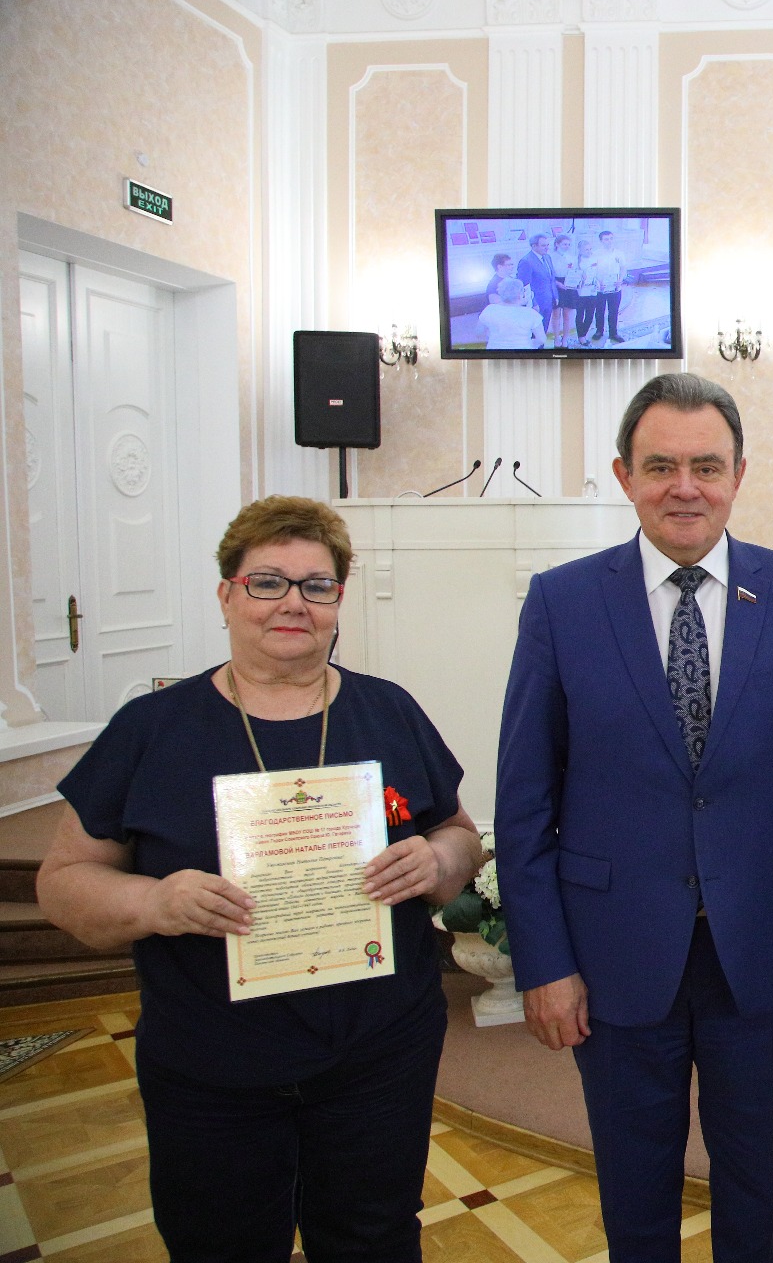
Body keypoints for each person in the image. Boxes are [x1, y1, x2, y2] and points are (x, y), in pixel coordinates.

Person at [38, 496, 484, 1261]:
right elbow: (63, 881)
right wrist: (155, 900)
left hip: (378, 1055)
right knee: (223, 1245)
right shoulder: (152, 729)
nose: (293, 603)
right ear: (227, 595)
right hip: (213, 1064)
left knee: (375, 1238)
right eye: (268, 582)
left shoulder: (389, 711)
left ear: (338, 599)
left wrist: (437, 860)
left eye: (317, 585)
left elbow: (459, 834)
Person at [496, 372, 773, 1263]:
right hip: (613, 952)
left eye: (707, 465)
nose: (685, 487)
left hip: (760, 953)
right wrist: (543, 962)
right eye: (661, 466)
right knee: (633, 1188)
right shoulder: (561, 602)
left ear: (740, 474)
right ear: (624, 475)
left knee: (754, 1182)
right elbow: (524, 802)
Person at [477, 277, 547, 349]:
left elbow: (478, 333)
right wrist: (531, 344)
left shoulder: (490, 310)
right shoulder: (531, 314)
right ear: (520, 294)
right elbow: (541, 339)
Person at [516, 232, 559, 331]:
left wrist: (555, 295)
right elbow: (524, 286)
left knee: (544, 329)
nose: (547, 248)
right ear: (534, 246)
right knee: (535, 332)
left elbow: (551, 279)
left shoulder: (547, 257)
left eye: (547, 245)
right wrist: (534, 303)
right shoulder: (526, 261)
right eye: (543, 245)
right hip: (536, 303)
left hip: (549, 300)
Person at [551, 233, 579, 347]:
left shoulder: (572, 257)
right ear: (557, 244)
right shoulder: (550, 257)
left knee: (567, 315)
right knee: (556, 314)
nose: (567, 246)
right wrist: (557, 283)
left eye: (568, 244)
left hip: (569, 286)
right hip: (556, 284)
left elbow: (575, 272)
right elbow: (549, 275)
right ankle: (556, 338)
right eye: (564, 244)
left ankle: (565, 339)